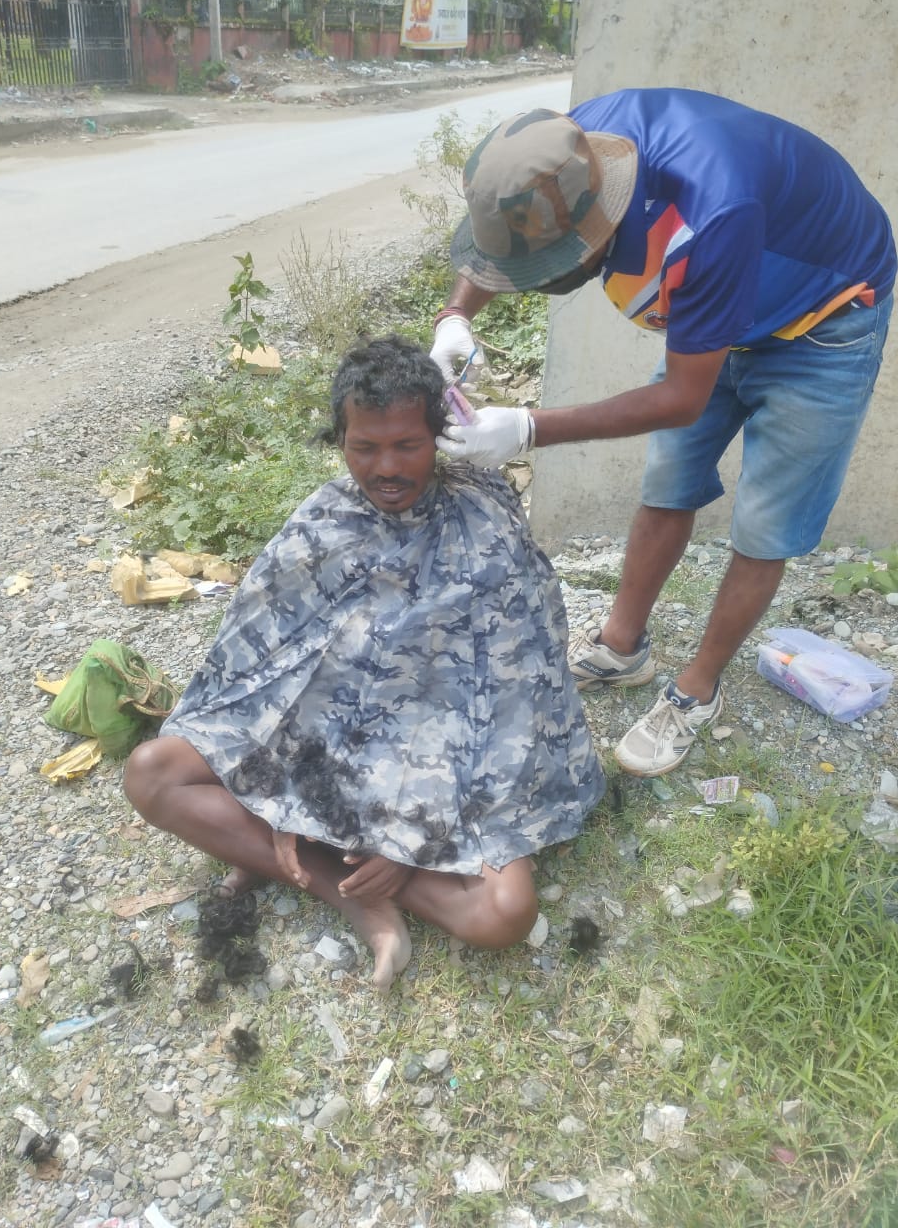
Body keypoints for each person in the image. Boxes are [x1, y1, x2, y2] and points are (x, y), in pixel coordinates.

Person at [429, 91, 896, 778]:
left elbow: (680, 398)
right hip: (724, 302)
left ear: (596, 226)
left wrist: (528, 428)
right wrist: (455, 316)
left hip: (822, 322)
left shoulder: (712, 214)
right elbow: (505, 238)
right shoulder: (562, 150)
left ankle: (697, 689)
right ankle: (622, 647)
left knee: (765, 523)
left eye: (544, 269)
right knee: (669, 480)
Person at [124, 336, 604, 991]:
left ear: (442, 436)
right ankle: (347, 891)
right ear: (340, 440)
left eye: (408, 445)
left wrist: (408, 842)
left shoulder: (484, 531)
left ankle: (307, 856)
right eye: (364, 447)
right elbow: (276, 682)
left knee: (504, 914)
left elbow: (502, 713)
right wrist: (293, 799)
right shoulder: (323, 523)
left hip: (445, 771)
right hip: (324, 756)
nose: (387, 468)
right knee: (152, 774)